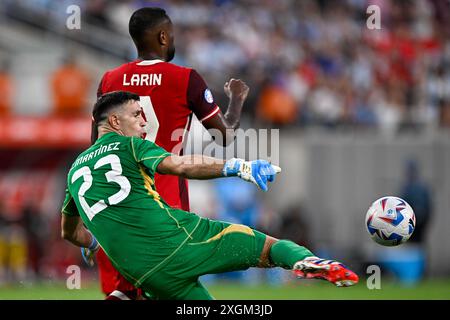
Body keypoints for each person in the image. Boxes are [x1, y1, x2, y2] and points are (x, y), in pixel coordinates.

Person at [61, 91, 358, 300]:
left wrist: (94, 241)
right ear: (114, 123)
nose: (144, 123)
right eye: (137, 115)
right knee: (268, 247)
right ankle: (306, 261)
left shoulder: (74, 171)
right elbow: (179, 164)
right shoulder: (129, 146)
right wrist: (237, 166)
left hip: (143, 274)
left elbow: (70, 231)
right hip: (179, 241)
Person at [91, 7, 250, 299]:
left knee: (125, 291)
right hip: (165, 203)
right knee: (171, 290)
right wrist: (237, 100)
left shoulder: (110, 80)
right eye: (173, 34)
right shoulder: (186, 78)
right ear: (163, 36)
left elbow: (96, 149)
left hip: (117, 203)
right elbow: (224, 135)